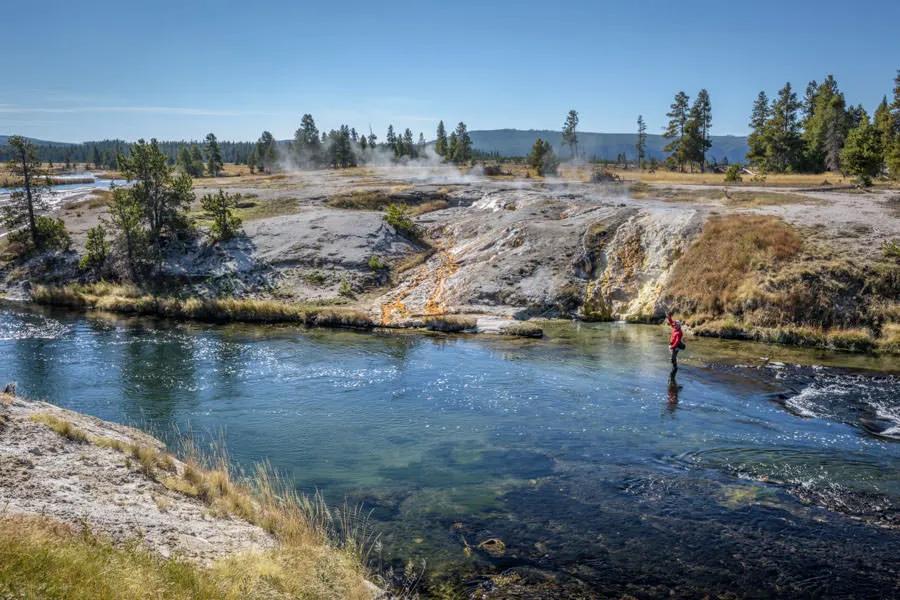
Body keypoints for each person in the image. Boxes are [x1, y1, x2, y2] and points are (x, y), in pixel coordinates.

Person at [666, 312, 685, 378]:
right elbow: (671, 322)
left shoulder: (679, 332)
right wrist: (669, 317)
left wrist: (672, 347)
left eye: (676, 324)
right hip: (672, 345)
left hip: (675, 346)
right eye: (675, 324)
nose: (675, 325)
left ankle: (675, 368)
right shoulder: (674, 327)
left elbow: (677, 341)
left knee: (672, 359)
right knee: (673, 357)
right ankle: (675, 365)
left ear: (679, 325)